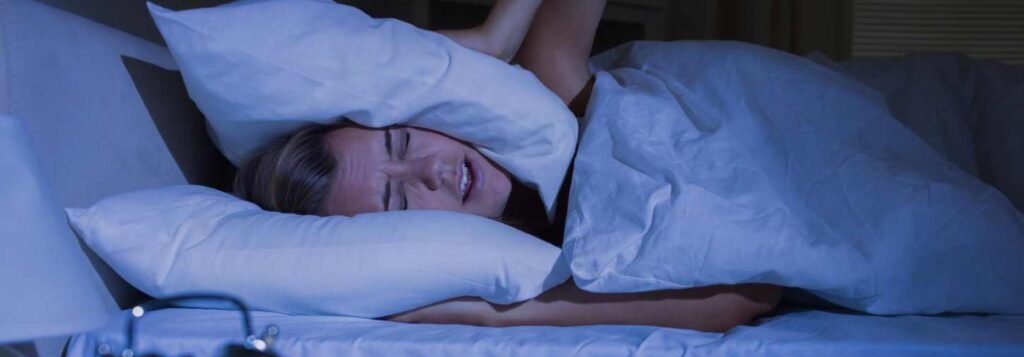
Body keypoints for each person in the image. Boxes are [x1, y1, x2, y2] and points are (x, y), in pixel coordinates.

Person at [234, 0, 782, 332]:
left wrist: (491, 39)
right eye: (399, 201)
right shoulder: (575, 262)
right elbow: (745, 295)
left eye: (402, 142)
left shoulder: (558, 84)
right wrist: (486, 312)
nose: (430, 171)